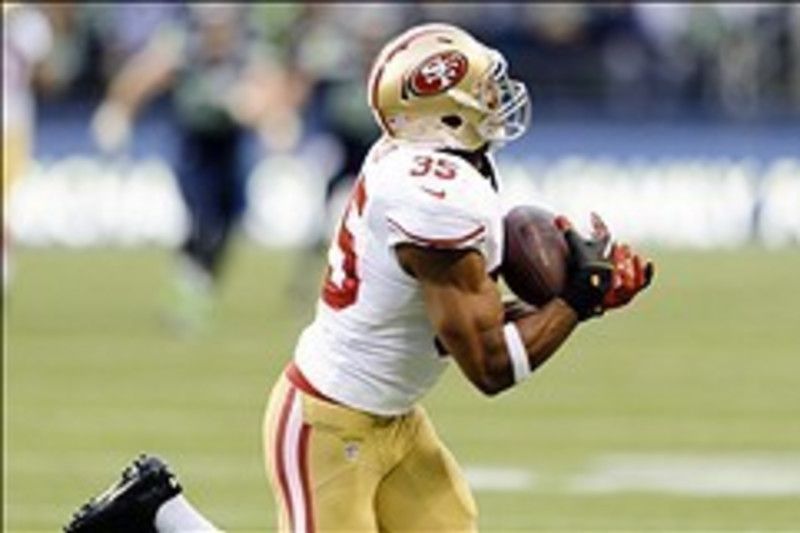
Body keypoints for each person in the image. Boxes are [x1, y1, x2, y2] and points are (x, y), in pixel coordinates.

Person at [64, 22, 654, 533]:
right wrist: (576, 298)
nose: (496, 99)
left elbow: (467, 320)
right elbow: (489, 366)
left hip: (394, 418)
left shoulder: (438, 169)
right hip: (329, 421)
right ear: (441, 113)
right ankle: (158, 517)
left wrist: (588, 298)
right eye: (480, 91)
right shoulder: (434, 197)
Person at [90, 4, 304, 332]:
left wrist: (273, 117)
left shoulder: (247, 45)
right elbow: (143, 75)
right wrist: (118, 109)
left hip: (230, 144)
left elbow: (269, 84)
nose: (216, 32)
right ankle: (189, 289)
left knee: (232, 216)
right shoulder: (182, 42)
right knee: (201, 217)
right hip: (195, 144)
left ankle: (198, 283)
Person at [2, 3, 54, 289]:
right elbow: (47, 77)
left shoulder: (32, 24)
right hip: (14, 125)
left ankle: (4, 268)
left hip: (13, 126)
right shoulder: (33, 24)